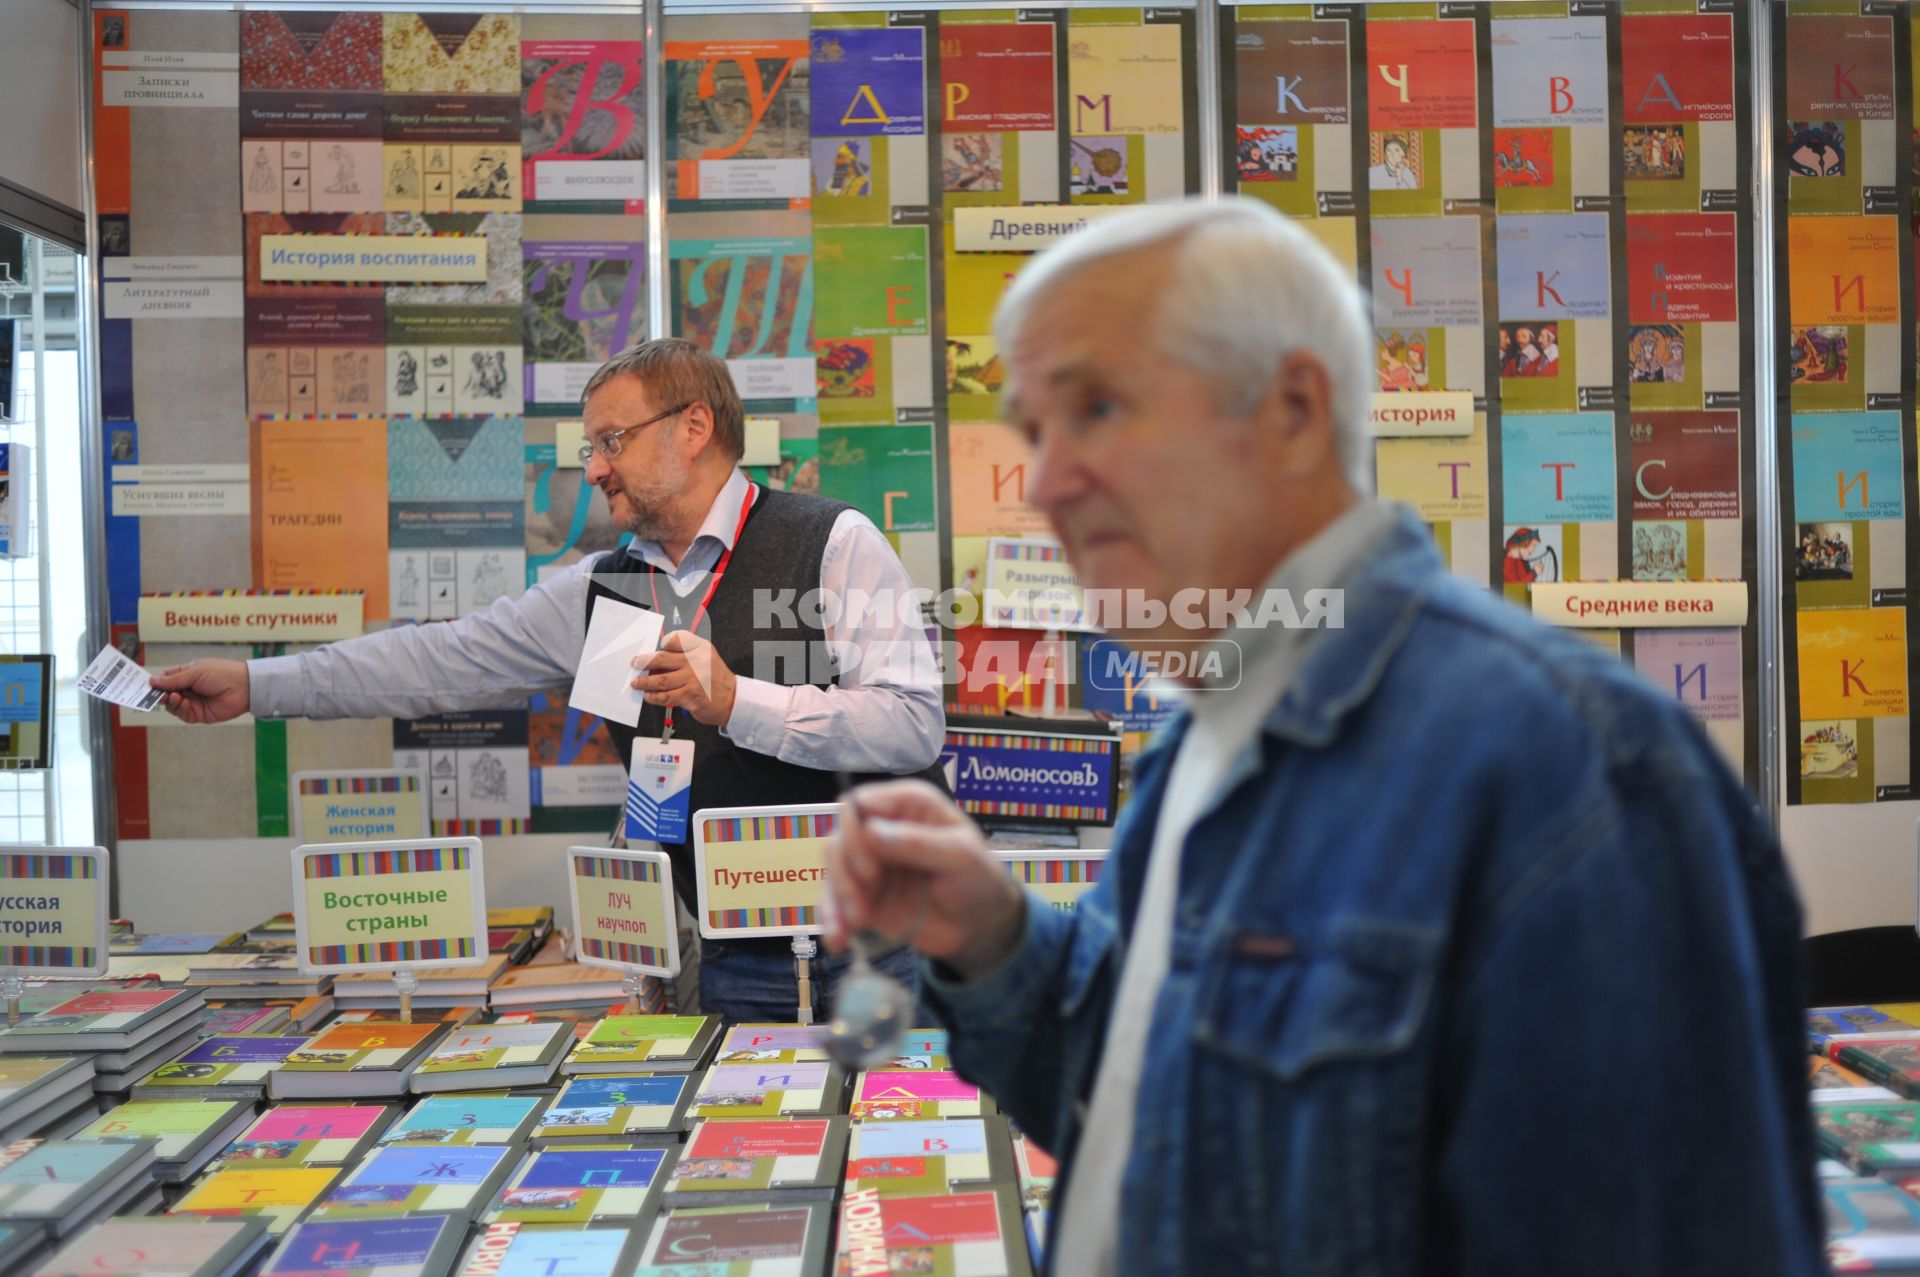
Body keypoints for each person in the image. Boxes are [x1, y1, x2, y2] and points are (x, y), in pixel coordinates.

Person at [820, 198, 1821, 1275]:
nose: (1049, 482)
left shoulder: (1572, 769)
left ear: (1295, 409)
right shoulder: (1209, 726)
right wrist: (995, 934)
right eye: (1034, 430)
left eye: (1097, 407)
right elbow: (1156, 1102)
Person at [152, 338, 948, 1023]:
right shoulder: (605, 588)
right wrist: (257, 684)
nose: (595, 468)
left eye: (612, 440)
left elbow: (912, 723)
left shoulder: (834, 543)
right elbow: (438, 662)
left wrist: (741, 701)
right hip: (730, 958)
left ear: (694, 427)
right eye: (590, 449)